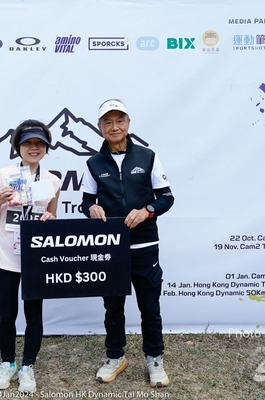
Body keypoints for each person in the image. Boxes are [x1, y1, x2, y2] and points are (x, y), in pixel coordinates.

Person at [81, 99, 175, 388]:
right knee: (113, 307)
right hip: (111, 247)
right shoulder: (94, 163)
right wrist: (91, 208)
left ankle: (155, 359)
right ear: (100, 127)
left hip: (145, 246)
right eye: (108, 122)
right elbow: (86, 201)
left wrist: (147, 210)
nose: (114, 127)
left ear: (128, 123)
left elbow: (166, 198)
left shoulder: (148, 156)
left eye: (119, 120)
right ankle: (115, 357)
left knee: (150, 305)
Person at [0, 119, 61, 393]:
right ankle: (7, 363)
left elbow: (52, 215)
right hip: (6, 255)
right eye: (28, 142)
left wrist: (50, 218)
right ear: (17, 146)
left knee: (34, 315)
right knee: (7, 313)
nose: (34, 148)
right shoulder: (3, 175)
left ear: (46, 148)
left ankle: (28, 366)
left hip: (35, 257)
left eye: (40, 143)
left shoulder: (53, 181)